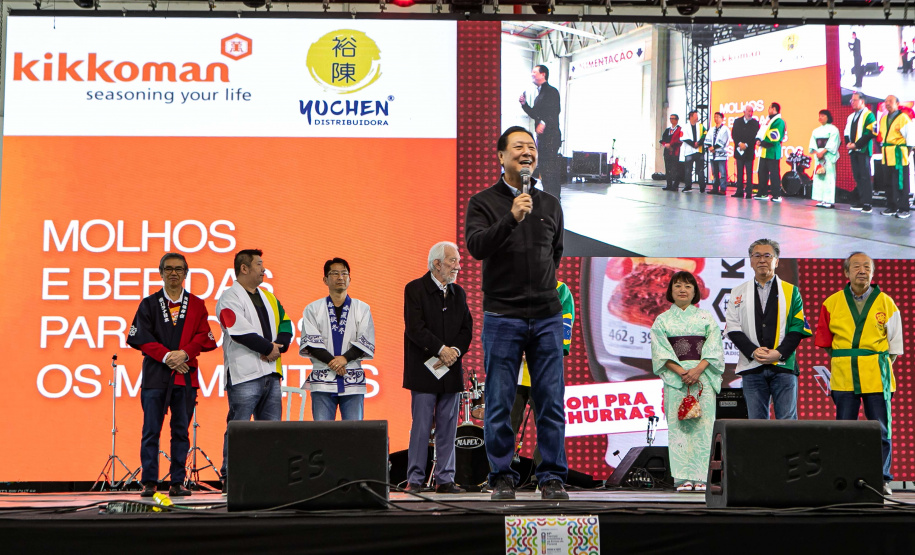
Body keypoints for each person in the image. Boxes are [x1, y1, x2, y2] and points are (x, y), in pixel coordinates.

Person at [465, 125, 568, 501]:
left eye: (531, 147)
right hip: (502, 315)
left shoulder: (550, 204)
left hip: (547, 316)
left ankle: (551, 476)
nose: (527, 153)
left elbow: (555, 253)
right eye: (519, 146)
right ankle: (501, 476)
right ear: (501, 156)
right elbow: (477, 247)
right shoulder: (483, 202)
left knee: (550, 400)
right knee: (500, 400)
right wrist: (511, 217)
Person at [127, 253, 217, 497]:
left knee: (181, 432)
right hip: (155, 376)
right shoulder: (148, 304)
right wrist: (168, 357)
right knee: (151, 430)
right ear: (161, 273)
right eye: (168, 269)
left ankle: (177, 481)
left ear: (186, 273)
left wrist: (184, 354)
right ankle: (149, 482)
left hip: (185, 376)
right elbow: (142, 337)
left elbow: (204, 335)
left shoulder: (197, 304)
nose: (173, 273)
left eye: (178, 269)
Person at [815, 252, 903, 496]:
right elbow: (826, 341)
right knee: (845, 428)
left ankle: (882, 478)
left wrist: (873, 362)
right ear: (846, 272)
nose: (862, 271)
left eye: (867, 267)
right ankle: (843, 477)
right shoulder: (832, 302)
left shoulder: (886, 302)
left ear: (873, 272)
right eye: (856, 267)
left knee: (881, 429)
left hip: (876, 374)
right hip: (844, 374)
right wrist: (847, 357)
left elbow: (894, 346)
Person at [217, 249, 293, 486]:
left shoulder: (269, 296)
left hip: (271, 373)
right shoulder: (229, 297)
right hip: (244, 375)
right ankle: (231, 477)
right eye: (259, 264)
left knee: (271, 430)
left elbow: (286, 322)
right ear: (244, 268)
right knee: (239, 427)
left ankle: (269, 478)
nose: (264, 269)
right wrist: (268, 348)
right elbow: (238, 331)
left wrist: (279, 347)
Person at [402, 242, 474, 494]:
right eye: (453, 261)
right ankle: (415, 479)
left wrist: (454, 351)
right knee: (421, 427)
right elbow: (415, 328)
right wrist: (441, 349)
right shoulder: (414, 289)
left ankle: (445, 479)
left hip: (451, 370)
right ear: (437, 264)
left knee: (448, 427)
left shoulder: (459, 293)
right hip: (423, 370)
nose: (458, 267)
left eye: (458, 261)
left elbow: (466, 329)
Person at [650, 271, 723, 493]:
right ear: (671, 291)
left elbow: (714, 348)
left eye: (688, 286)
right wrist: (682, 372)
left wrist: (698, 370)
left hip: (703, 377)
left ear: (695, 292)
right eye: (678, 286)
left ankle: (701, 477)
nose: (683, 290)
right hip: (677, 379)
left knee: (703, 427)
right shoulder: (662, 320)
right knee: (678, 427)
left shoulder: (706, 318)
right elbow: (660, 351)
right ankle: (682, 478)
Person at [725, 239, 812, 420]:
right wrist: (753, 351)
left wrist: (779, 353)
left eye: (767, 256)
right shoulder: (737, 292)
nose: (762, 260)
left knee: (787, 422)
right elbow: (733, 327)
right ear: (751, 261)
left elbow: (797, 327)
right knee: (756, 424)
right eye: (757, 256)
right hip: (752, 366)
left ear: (777, 261)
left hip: (783, 366)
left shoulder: (792, 291)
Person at [510, 281, 574, 471]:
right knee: (506, 425)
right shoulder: (511, 286)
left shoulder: (560, 289)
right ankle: (502, 475)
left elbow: (565, 323)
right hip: (514, 372)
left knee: (548, 425)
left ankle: (546, 475)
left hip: (545, 370)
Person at [300, 258, 376, 421]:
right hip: (323, 380)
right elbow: (311, 344)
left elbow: (365, 340)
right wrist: (334, 362)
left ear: (350, 279)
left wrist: (344, 359)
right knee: (322, 432)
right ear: (325, 280)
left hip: (352, 378)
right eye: (334, 273)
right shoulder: (313, 309)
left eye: (344, 273)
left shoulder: (362, 308)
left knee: (354, 432)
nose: (340, 277)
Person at [519, 64, 562, 200]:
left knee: (550, 169)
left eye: (535, 72)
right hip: (543, 138)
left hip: (551, 137)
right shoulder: (539, 96)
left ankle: (554, 198)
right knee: (544, 169)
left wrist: (543, 123)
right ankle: (549, 196)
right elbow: (535, 114)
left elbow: (555, 110)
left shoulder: (551, 92)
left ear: (543, 74)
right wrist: (524, 105)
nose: (532, 74)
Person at [879, 95, 911, 218]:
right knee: (888, 182)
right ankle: (892, 206)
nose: (887, 103)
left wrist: (906, 154)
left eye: (890, 101)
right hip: (887, 154)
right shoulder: (883, 119)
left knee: (901, 182)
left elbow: (910, 139)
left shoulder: (903, 118)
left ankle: (904, 208)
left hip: (899, 154)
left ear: (897, 103)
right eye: (886, 101)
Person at [844, 92, 877, 213]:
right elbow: (846, 132)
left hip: (863, 150)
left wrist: (857, 145)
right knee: (857, 176)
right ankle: (861, 200)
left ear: (862, 101)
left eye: (854, 100)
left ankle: (867, 202)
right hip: (853, 151)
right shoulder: (851, 116)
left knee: (865, 176)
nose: (852, 102)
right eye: (851, 100)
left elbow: (871, 133)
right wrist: (848, 143)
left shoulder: (869, 115)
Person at [754, 102, 786, 202]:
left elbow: (775, 135)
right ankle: (762, 193)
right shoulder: (768, 120)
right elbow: (761, 132)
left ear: (774, 109)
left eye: (769, 108)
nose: (768, 110)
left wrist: (763, 142)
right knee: (762, 173)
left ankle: (776, 195)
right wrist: (758, 139)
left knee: (774, 174)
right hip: (764, 152)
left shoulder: (779, 121)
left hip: (772, 152)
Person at [809, 109, 841, 209]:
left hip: (828, 155)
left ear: (828, 117)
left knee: (828, 178)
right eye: (820, 115)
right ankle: (820, 199)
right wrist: (817, 152)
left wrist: (823, 152)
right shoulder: (816, 130)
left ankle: (828, 200)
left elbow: (833, 143)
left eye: (823, 116)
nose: (820, 117)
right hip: (819, 155)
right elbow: (813, 143)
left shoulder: (833, 129)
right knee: (819, 177)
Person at [732, 105, 760, 198]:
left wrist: (747, 145)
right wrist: (739, 143)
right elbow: (734, 134)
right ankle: (739, 191)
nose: (750, 113)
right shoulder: (737, 121)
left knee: (749, 172)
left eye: (751, 111)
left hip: (749, 151)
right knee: (739, 172)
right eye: (748, 111)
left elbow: (755, 136)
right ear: (744, 112)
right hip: (739, 150)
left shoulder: (755, 123)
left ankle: (748, 192)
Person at [679, 110, 707, 193]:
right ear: (691, 117)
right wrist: (693, 144)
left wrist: (699, 143)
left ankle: (702, 187)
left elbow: (705, 134)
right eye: (695, 115)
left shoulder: (701, 126)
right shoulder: (685, 127)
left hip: (699, 151)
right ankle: (688, 186)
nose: (697, 117)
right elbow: (683, 137)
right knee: (688, 170)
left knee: (700, 170)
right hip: (689, 151)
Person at [705, 112, 731, 195]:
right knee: (715, 172)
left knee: (722, 172)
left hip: (721, 154)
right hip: (713, 155)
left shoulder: (725, 129)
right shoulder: (712, 129)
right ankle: (715, 188)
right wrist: (710, 147)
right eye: (715, 117)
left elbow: (723, 141)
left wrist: (714, 147)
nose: (716, 118)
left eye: (718, 117)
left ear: (722, 119)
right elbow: (707, 139)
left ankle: (723, 188)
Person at [659, 114, 683, 191]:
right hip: (667, 151)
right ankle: (669, 184)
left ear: (677, 120)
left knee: (675, 169)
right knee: (668, 168)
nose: (671, 120)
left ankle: (675, 185)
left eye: (673, 118)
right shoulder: (667, 130)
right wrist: (665, 144)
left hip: (675, 151)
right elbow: (663, 139)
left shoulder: (680, 130)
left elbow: (680, 140)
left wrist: (671, 145)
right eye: (670, 118)